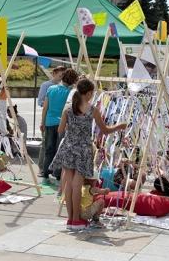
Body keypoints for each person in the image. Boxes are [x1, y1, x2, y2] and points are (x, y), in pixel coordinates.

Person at [50, 78, 126, 230]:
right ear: (89, 93)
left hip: (69, 146)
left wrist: (71, 129)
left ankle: (71, 219)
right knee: (77, 185)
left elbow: (60, 130)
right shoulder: (92, 110)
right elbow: (105, 130)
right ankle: (77, 219)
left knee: (70, 185)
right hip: (83, 149)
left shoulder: (68, 110)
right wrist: (119, 126)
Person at [40, 68, 79, 183]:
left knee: (48, 148)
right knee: (60, 149)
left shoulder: (51, 89)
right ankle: (57, 173)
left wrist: (42, 122)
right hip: (63, 123)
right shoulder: (71, 92)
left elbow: (45, 108)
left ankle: (45, 172)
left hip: (49, 122)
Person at [36, 66, 66, 172]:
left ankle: (53, 169)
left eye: (63, 76)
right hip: (49, 119)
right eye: (60, 75)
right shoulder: (46, 85)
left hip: (59, 121)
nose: (61, 78)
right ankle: (42, 168)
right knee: (46, 145)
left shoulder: (66, 87)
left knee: (57, 145)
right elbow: (40, 102)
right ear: (54, 73)